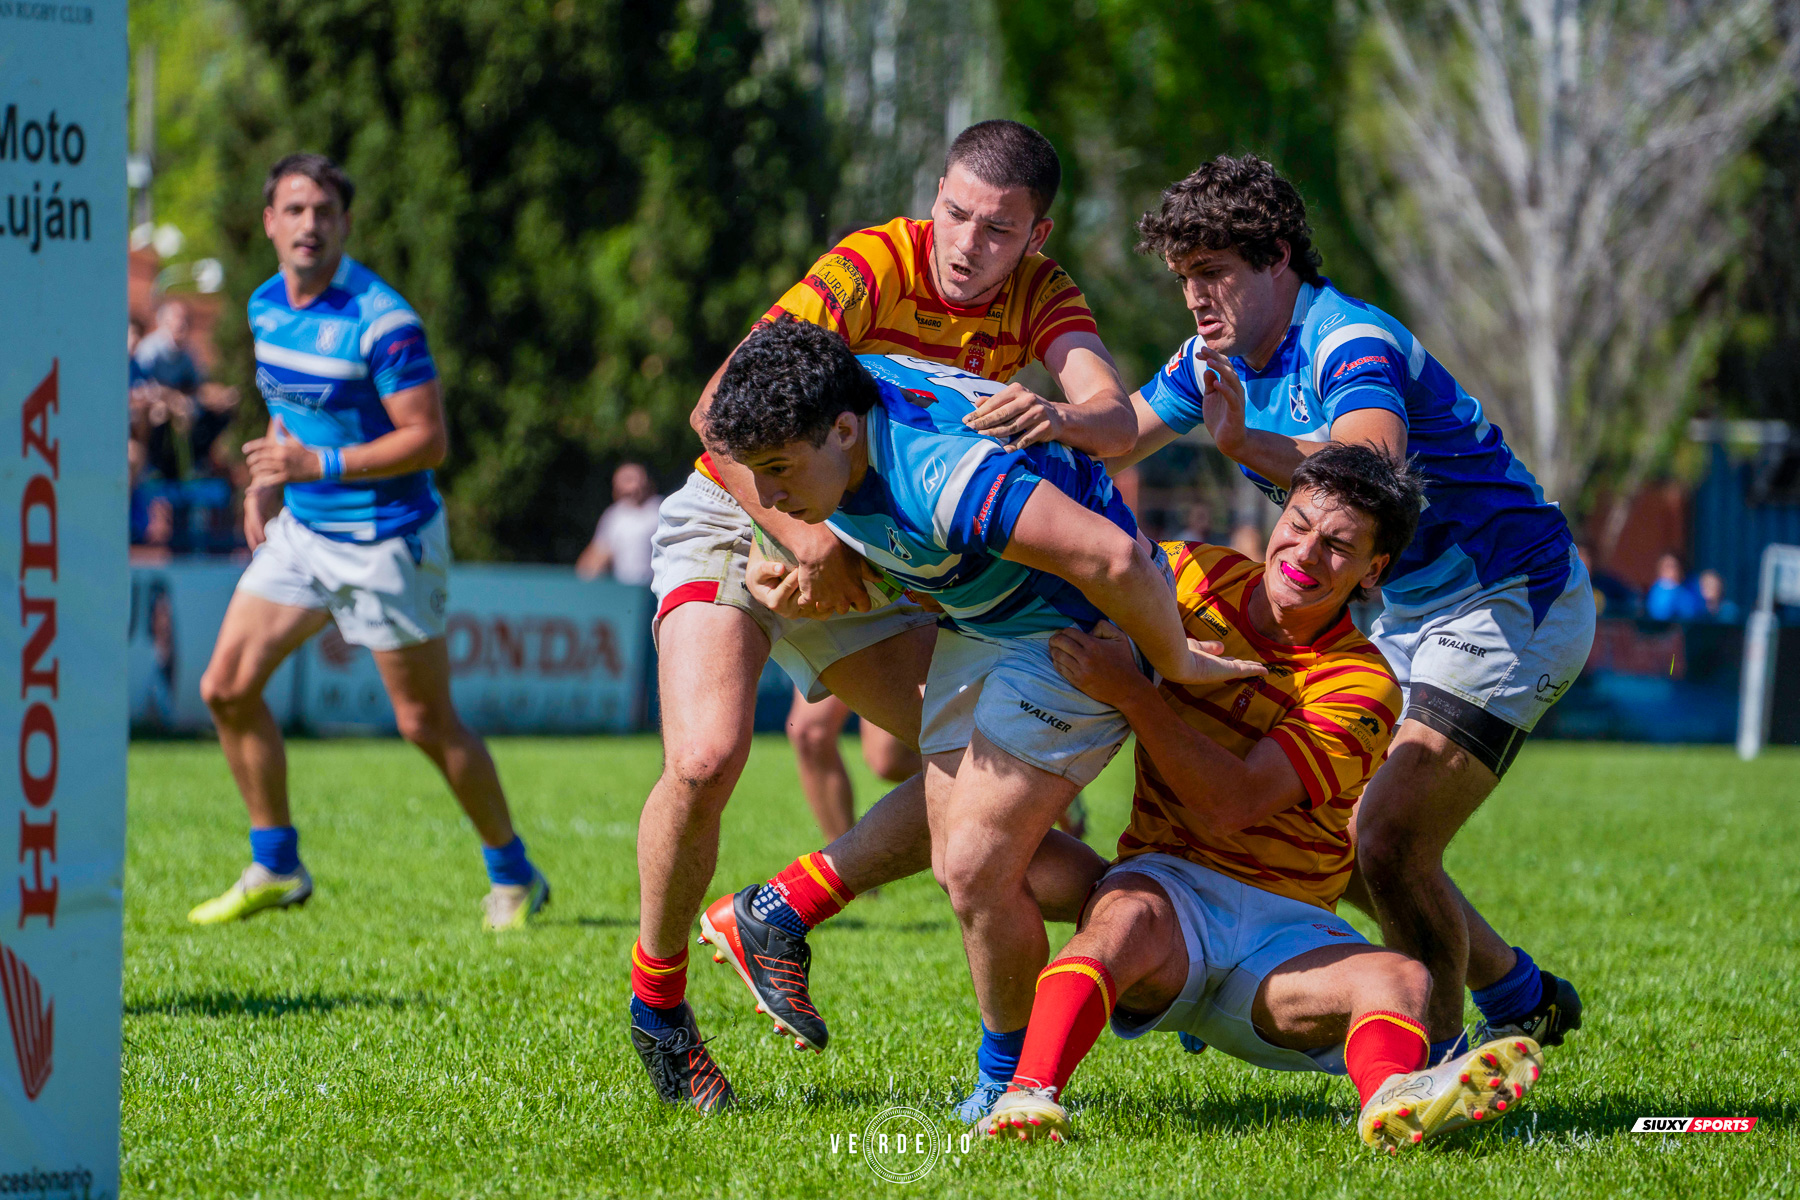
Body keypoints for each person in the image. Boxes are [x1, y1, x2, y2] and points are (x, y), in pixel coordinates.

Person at [629, 120, 1139, 1111]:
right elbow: (716, 414)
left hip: (868, 552)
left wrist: (1063, 417)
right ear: (933, 195)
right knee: (705, 757)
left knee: (973, 775)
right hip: (745, 506)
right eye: (954, 213)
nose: (965, 244)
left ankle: (780, 909)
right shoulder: (874, 263)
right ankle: (659, 1009)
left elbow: (1113, 417)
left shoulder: (1045, 295)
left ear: (1037, 236)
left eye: (997, 229)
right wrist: (807, 538)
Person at [697, 323, 1263, 1122]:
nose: (769, 495)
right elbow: (852, 521)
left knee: (973, 865)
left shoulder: (940, 476)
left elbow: (1113, 559)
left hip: (1076, 630)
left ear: (846, 431)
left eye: (780, 471)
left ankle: (1014, 1079)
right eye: (759, 473)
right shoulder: (830, 410)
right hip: (984, 626)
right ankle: (1167, 948)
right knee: (979, 863)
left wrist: (1173, 660)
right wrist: (790, 560)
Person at [1113, 155, 1594, 1063]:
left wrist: (1240, 442)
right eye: (1183, 277)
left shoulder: (1348, 342)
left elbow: (1371, 469)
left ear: (1277, 258)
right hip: (1399, 604)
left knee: (1387, 834)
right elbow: (1117, 434)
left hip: (1506, 596)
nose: (1195, 296)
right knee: (1340, 828)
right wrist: (1022, 440)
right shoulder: (1213, 352)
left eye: (1212, 271)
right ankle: (1518, 995)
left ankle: (1434, 1065)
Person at [976, 443, 1545, 1153]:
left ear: (1374, 572)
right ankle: (1026, 1097)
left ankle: (1393, 1099)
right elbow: (1052, 565)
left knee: (1399, 976)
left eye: (1338, 546)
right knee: (1119, 917)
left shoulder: (1364, 684)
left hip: (1288, 934)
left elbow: (1232, 804)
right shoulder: (1190, 576)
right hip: (1168, 889)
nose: (1305, 553)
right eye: (1298, 524)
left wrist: (1132, 693)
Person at [188, 153, 550, 932]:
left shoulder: (384, 321)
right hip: (304, 533)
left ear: (345, 224)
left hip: (387, 542)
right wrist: (267, 480)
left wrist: (314, 466)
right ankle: (276, 865)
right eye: (294, 209)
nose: (309, 224)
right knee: (226, 688)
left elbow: (428, 439)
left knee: (424, 723)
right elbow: (288, 406)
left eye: (324, 211)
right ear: (269, 223)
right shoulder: (262, 305)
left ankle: (515, 875)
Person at [576, 462, 662, 586]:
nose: (628, 487)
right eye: (623, 481)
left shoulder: (661, 510)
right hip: (624, 588)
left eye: (631, 480)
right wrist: (584, 580)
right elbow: (600, 552)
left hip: (656, 588)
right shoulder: (614, 515)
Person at [1645, 552, 1706, 622]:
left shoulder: (1689, 588)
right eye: (1668, 566)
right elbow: (1660, 614)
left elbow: (1694, 612)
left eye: (1675, 566)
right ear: (1660, 570)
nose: (1672, 570)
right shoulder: (1656, 591)